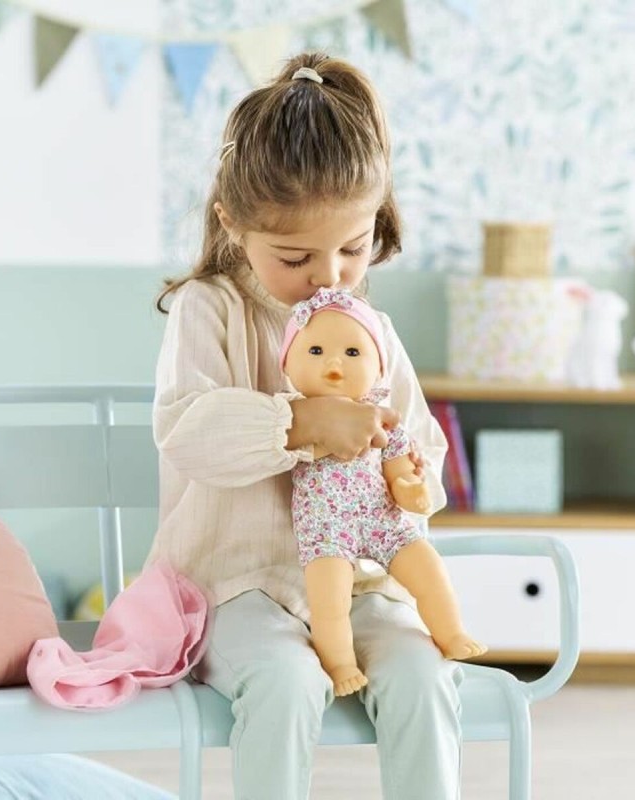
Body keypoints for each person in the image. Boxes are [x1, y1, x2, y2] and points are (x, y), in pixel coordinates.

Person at [148, 51, 464, 800]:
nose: (328, 275)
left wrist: (412, 482)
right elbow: (186, 430)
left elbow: (423, 447)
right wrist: (297, 422)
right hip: (239, 587)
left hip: (364, 584)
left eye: (352, 249)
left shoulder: (371, 330)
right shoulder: (210, 309)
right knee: (286, 683)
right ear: (233, 223)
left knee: (423, 676)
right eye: (295, 256)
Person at [280, 287, 486, 697]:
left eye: (353, 352)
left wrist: (411, 490)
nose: (334, 363)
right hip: (326, 528)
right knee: (329, 601)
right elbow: (273, 454)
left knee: (428, 569)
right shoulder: (293, 419)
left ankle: (450, 633)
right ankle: (340, 664)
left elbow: (399, 471)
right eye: (315, 351)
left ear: (379, 367)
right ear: (287, 363)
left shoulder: (385, 421)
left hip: (382, 517)